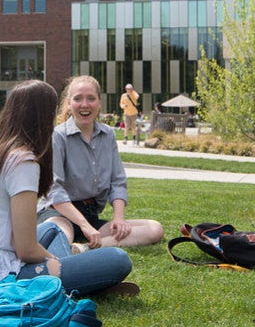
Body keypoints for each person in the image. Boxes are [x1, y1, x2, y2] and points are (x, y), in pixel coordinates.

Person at [0, 80, 137, 296]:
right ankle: (81, 285)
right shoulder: (23, 163)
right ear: (42, 117)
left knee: (53, 229)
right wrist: (55, 262)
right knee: (117, 259)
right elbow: (26, 249)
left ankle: (81, 280)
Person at [38, 75, 164, 249]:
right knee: (60, 240)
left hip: (91, 216)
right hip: (58, 213)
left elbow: (117, 181)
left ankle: (84, 249)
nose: (84, 104)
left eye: (91, 98)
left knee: (154, 229)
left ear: (99, 103)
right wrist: (84, 225)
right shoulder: (57, 136)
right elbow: (54, 190)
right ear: (69, 103)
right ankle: (71, 245)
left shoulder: (108, 135)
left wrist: (119, 219)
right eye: (78, 98)